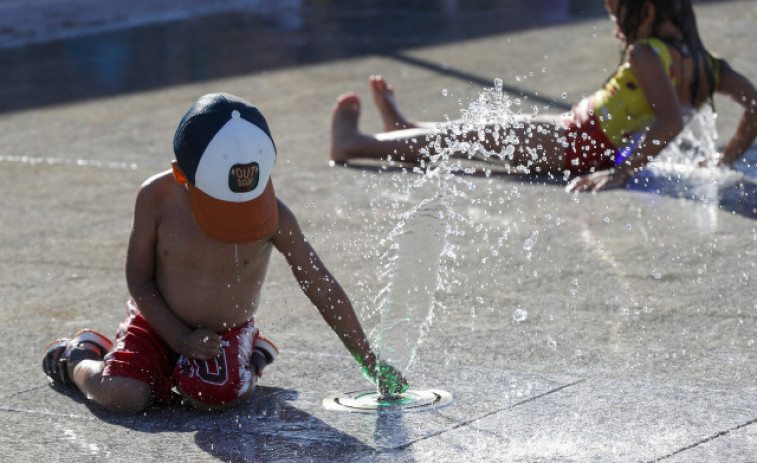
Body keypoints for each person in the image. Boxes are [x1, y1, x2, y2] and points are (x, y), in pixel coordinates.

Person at [42, 93, 407, 413]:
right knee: (124, 397)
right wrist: (179, 338)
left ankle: (251, 354)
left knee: (215, 395)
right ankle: (78, 357)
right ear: (182, 175)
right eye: (222, 204)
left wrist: (368, 359)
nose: (240, 212)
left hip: (224, 332)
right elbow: (138, 279)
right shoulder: (156, 197)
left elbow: (319, 283)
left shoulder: (275, 214)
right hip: (157, 322)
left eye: (248, 201)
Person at [329, 0, 757, 192]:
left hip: (574, 143)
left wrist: (622, 171)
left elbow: (669, 121)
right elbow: (755, 104)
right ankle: (403, 130)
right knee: (475, 135)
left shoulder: (647, 54)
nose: (616, 30)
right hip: (577, 136)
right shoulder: (707, 64)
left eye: (619, 15)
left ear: (646, 10)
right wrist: (725, 160)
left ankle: (355, 145)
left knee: (467, 143)